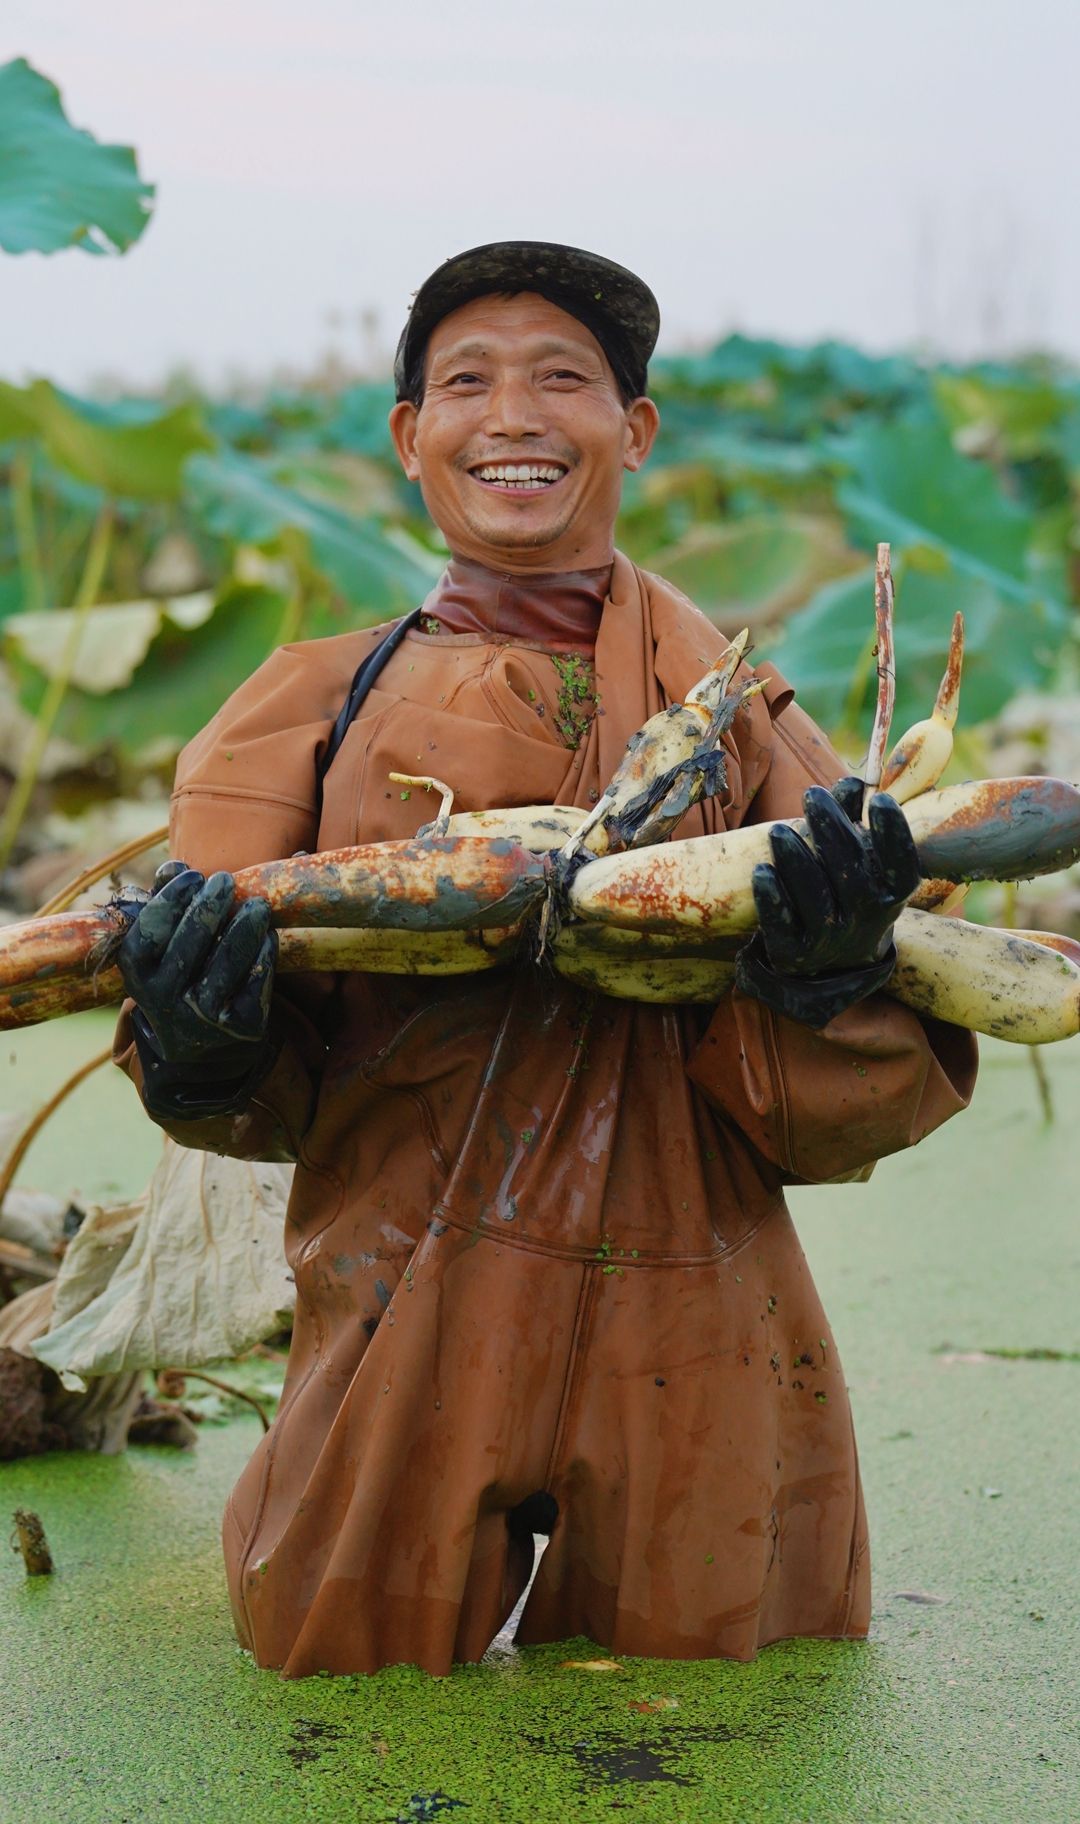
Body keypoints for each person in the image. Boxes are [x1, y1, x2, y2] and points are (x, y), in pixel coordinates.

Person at [113, 243, 977, 1679]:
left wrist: (820, 981)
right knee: (339, 1679)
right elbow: (241, 1101)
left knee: (735, 1708)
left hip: (706, 1311)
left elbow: (862, 1099)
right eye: (468, 381)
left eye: (561, 378)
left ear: (632, 430)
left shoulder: (747, 723)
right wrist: (202, 1041)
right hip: (398, 1296)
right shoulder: (301, 717)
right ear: (410, 439)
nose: (513, 414)